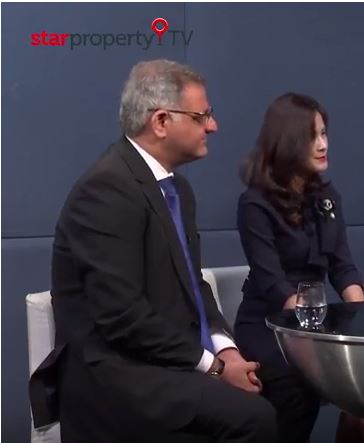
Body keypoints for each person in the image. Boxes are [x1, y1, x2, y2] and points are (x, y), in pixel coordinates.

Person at [29, 59, 277, 443]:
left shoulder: (177, 190)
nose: (213, 126)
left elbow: (193, 285)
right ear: (161, 121)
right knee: (254, 418)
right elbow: (122, 316)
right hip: (117, 377)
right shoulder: (106, 189)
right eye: (202, 116)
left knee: (281, 383)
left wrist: (226, 350)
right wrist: (213, 368)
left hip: (166, 362)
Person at [234, 92, 364, 442]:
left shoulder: (327, 198)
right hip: (268, 325)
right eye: (312, 136)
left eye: (324, 133)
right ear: (288, 141)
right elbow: (273, 284)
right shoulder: (255, 204)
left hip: (314, 322)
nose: (323, 144)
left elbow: (342, 267)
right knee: (297, 383)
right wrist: (317, 337)